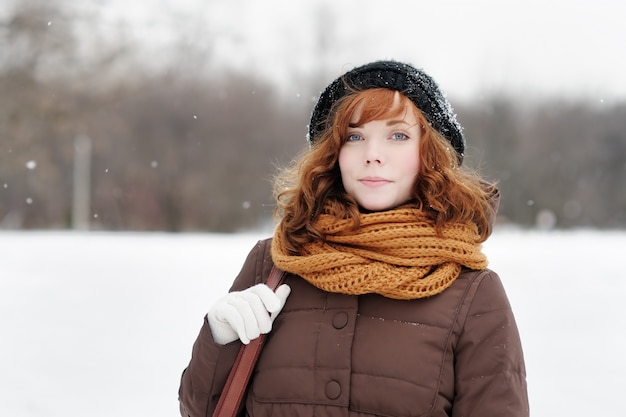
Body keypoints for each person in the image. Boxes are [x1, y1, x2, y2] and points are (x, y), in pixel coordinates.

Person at [178, 60, 529, 417]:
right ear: (334, 155)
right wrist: (219, 341)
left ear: (430, 154)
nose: (372, 155)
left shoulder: (472, 293)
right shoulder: (273, 263)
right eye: (355, 136)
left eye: (398, 135)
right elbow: (200, 410)